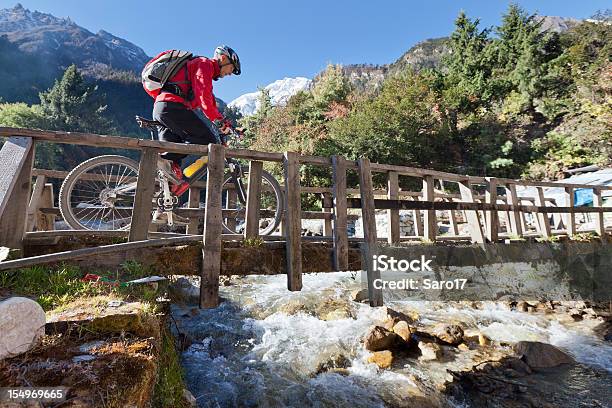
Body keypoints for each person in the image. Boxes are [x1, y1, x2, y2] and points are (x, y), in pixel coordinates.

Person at [147, 45, 241, 197]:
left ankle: (163, 209)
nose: (230, 73)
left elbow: (209, 101)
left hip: (163, 108)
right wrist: (219, 122)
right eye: (231, 68)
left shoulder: (203, 70)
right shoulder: (205, 65)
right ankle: (163, 159)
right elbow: (204, 100)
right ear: (223, 58)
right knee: (207, 140)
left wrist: (226, 124)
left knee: (172, 172)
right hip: (172, 107)